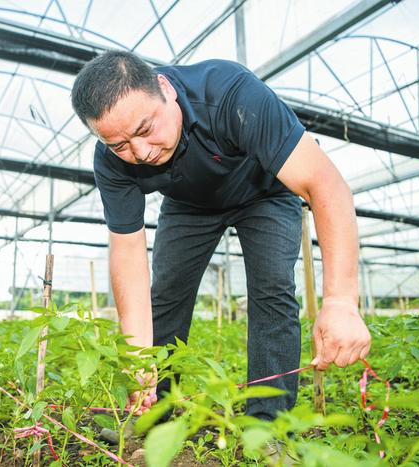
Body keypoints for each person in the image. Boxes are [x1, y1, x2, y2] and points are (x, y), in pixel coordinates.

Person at [70, 51, 371, 421]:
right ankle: (152, 412)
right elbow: (128, 253)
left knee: (272, 292)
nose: (141, 152)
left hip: (265, 191)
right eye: (120, 145)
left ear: (165, 89)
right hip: (188, 204)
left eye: (146, 130)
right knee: (165, 295)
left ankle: (269, 426)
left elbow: (327, 186)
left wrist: (341, 301)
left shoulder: (230, 93)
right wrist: (136, 356)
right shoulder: (110, 160)